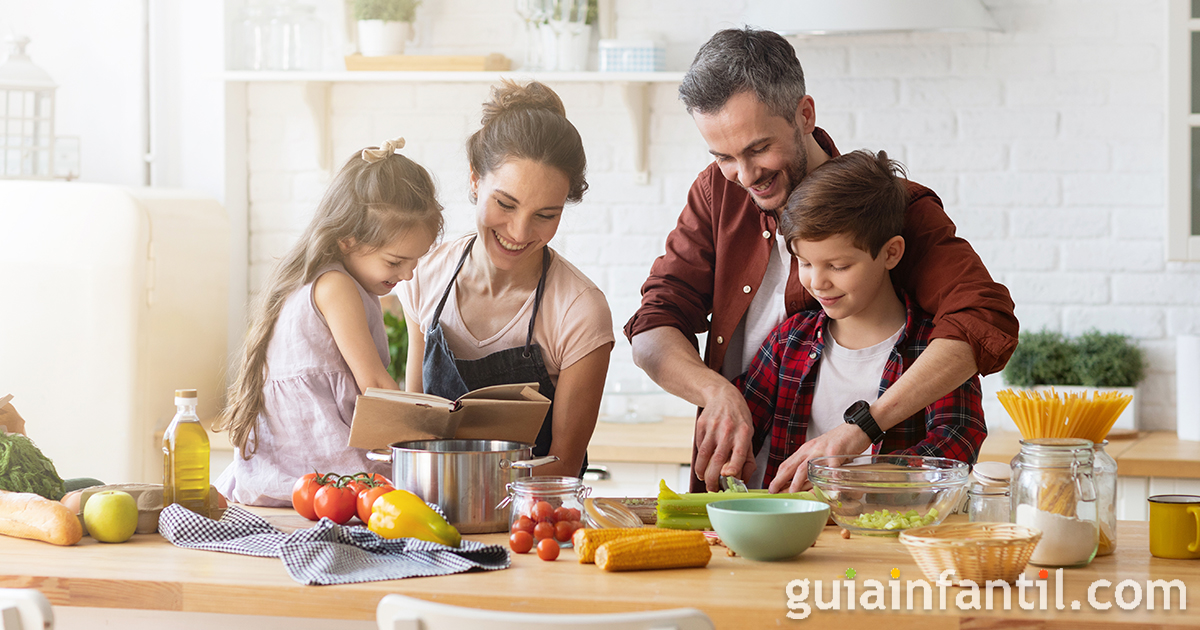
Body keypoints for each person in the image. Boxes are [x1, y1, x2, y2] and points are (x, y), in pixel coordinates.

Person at [624, 27, 1018, 492]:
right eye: (723, 156)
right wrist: (715, 393)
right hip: (751, 497)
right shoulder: (717, 192)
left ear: (804, 114)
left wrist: (863, 431)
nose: (745, 176)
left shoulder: (891, 208)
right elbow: (653, 327)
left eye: (758, 149)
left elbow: (982, 318)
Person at [398, 81, 614, 479]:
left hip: (532, 521)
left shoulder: (579, 310)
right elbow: (416, 429)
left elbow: (563, 466)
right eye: (505, 203)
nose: (518, 231)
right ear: (475, 179)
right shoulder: (423, 276)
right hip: (431, 513)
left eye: (545, 215)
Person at [741, 150, 986, 493]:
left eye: (838, 266)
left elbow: (956, 444)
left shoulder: (935, 351)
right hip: (790, 533)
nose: (818, 282)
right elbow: (742, 425)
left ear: (890, 253)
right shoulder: (787, 341)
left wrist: (854, 482)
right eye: (805, 263)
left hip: (889, 536)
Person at [215, 138, 443, 506]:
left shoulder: (328, 278)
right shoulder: (336, 286)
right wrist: (423, 439)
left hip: (294, 466)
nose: (408, 274)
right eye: (395, 262)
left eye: (415, 262)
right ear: (347, 241)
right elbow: (373, 383)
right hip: (319, 463)